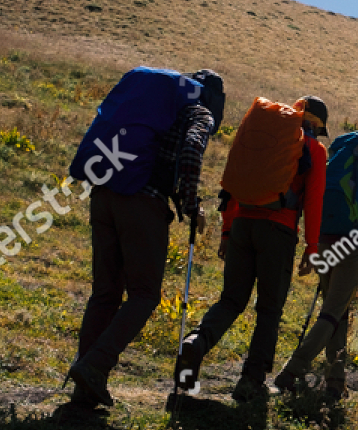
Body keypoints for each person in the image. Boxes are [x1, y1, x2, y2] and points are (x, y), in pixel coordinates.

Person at [65, 68, 223, 411]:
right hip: (142, 201)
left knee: (105, 293)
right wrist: (191, 202)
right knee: (144, 294)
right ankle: (94, 366)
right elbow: (193, 149)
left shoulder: (161, 101)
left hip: (103, 195)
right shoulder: (199, 110)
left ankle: (84, 389)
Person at [175, 97, 329, 403]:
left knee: (231, 300)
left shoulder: (261, 138)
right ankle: (251, 381)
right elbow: (313, 201)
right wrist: (312, 248)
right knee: (269, 310)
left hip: (243, 224)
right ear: (317, 124)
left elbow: (234, 183)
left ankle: (196, 341)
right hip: (278, 231)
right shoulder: (314, 149)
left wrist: (227, 231)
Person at [273, 130, 358, 399]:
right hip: (355, 243)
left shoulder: (341, 164)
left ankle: (335, 382)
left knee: (338, 310)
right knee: (333, 312)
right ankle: (291, 371)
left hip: (325, 239)